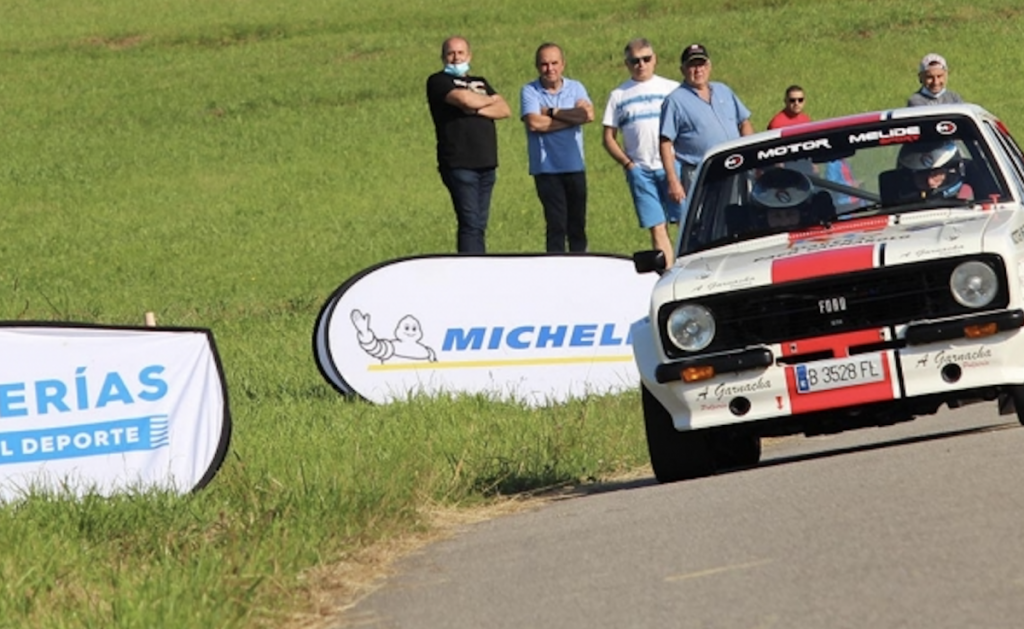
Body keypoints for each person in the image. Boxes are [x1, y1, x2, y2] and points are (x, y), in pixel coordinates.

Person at [426, 36, 512, 254]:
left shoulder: (480, 81)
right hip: (459, 163)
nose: (456, 58)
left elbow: (504, 109)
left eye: (461, 53)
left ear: (469, 55)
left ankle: (478, 264)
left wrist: (476, 107)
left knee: (480, 224)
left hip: (487, 162)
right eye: (451, 53)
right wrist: (488, 101)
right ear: (443, 57)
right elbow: (464, 100)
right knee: (470, 223)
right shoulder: (438, 81)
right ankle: (470, 267)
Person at [601, 38, 683, 265]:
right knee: (657, 226)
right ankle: (667, 272)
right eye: (635, 61)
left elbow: (685, 125)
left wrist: (678, 156)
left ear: (654, 59)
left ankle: (691, 269)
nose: (641, 65)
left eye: (646, 59)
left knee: (684, 222)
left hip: (672, 166)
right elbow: (608, 138)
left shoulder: (672, 88)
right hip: (641, 171)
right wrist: (629, 165)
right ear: (627, 64)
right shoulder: (618, 95)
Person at [521, 43, 595, 253]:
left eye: (554, 63)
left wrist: (552, 112)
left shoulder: (576, 88)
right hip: (547, 170)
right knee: (556, 225)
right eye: (544, 64)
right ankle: (555, 267)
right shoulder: (530, 91)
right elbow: (534, 123)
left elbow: (587, 115)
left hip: (574, 166)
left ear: (563, 64)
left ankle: (581, 265)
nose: (550, 68)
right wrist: (571, 119)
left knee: (577, 225)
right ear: (537, 66)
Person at [659, 43, 754, 206]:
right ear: (682, 70)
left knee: (739, 212)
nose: (698, 70)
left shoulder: (723, 90)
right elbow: (665, 143)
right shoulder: (674, 101)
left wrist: (752, 157)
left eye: (701, 64)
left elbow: (744, 123)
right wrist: (673, 181)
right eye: (692, 66)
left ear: (709, 66)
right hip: (701, 173)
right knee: (706, 218)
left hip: (736, 166)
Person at [897, 141, 973, 200]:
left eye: (935, 174)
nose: (930, 182)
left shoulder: (970, 191)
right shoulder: (901, 199)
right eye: (922, 174)